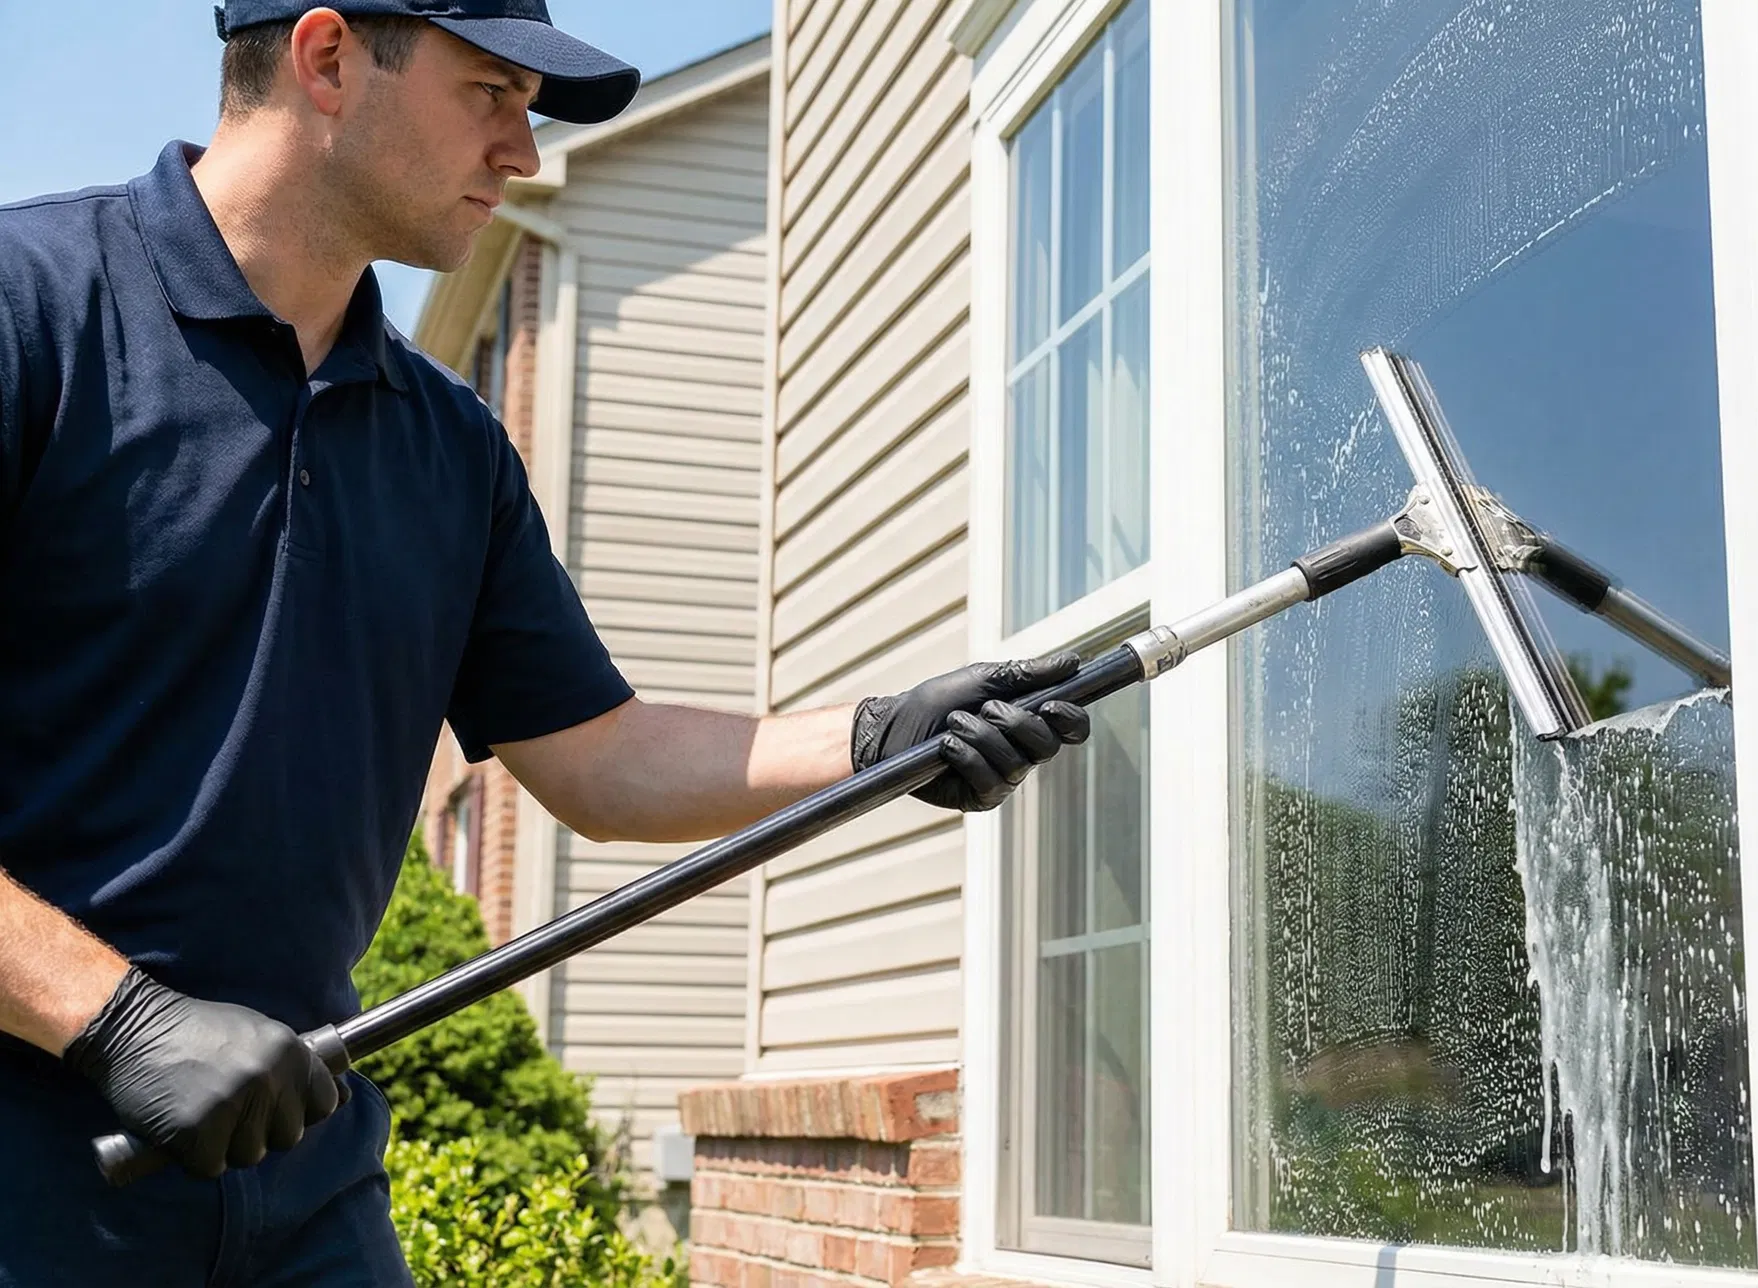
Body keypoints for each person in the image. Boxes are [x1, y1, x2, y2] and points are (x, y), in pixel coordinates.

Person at [0, 3, 1090, 1283]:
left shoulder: (448, 447)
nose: (524, 148)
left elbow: (600, 758)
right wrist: (112, 1019)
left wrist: (875, 739)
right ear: (329, 58)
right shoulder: (34, 308)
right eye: (492, 93)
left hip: (306, 1180)